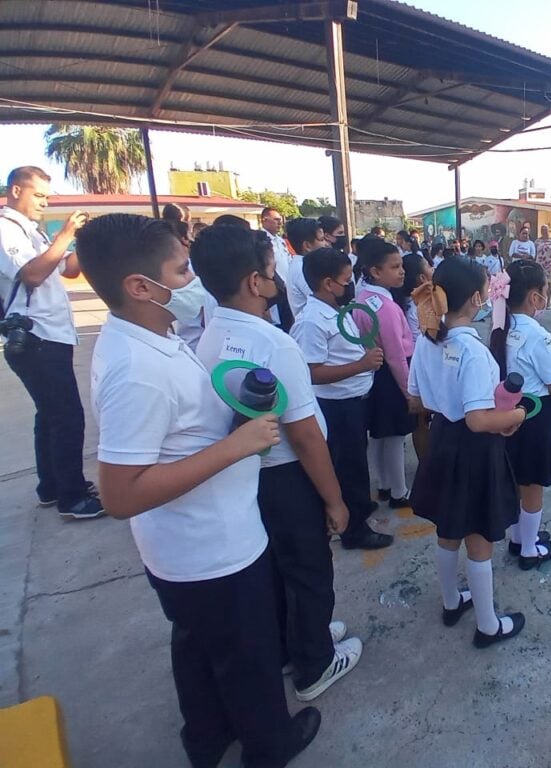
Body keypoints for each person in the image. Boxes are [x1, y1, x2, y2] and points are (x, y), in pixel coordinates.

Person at [75, 213, 320, 768]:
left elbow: (176, 436)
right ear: (140, 286)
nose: (193, 281)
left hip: (191, 549)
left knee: (199, 648)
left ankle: (207, 738)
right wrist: (235, 446)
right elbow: (120, 494)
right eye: (182, 270)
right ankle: (268, 747)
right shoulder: (136, 369)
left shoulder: (154, 337)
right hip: (211, 552)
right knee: (249, 657)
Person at [191, 227, 364, 703]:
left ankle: (295, 643)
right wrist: (335, 500)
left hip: (248, 476)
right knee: (310, 569)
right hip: (289, 476)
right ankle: (316, 664)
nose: (280, 279)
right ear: (254, 281)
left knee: (277, 568)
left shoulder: (210, 338)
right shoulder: (276, 344)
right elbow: (305, 436)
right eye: (273, 271)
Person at [407, 258, 528, 647]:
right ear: (477, 297)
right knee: (478, 536)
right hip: (474, 449)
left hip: (441, 439)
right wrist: (517, 414)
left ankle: (450, 602)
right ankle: (488, 624)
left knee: (448, 528)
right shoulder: (474, 352)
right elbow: (478, 420)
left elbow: (415, 399)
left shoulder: (426, 339)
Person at [0, 166, 103, 519]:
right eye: (38, 195)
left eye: (47, 196)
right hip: (34, 337)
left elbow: (68, 270)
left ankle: (51, 486)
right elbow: (32, 273)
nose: (45, 202)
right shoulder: (5, 228)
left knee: (50, 415)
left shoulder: (35, 233)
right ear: (16, 190)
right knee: (67, 418)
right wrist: (65, 233)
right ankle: (73, 498)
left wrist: (79, 241)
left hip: (51, 336)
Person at [291, 247, 393, 550]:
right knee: (348, 467)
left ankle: (358, 506)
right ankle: (354, 530)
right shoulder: (310, 321)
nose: (351, 285)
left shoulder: (335, 309)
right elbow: (311, 372)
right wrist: (361, 365)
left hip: (353, 401)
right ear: (327, 283)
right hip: (336, 405)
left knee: (356, 464)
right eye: (346, 279)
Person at [490, 260, 551, 569]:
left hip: (509, 414)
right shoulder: (538, 334)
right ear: (535, 297)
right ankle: (529, 550)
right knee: (533, 486)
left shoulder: (498, 326)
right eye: (546, 291)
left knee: (518, 479)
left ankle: (520, 538)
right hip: (535, 415)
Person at [355, 238, 416, 508]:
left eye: (401, 265)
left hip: (375, 375)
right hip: (391, 376)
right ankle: (399, 491)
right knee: (394, 435)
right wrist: (409, 391)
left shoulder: (362, 297)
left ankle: (383, 484)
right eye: (394, 267)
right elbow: (395, 355)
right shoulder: (387, 308)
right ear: (375, 271)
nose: (401, 271)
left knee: (379, 434)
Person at [394, 252, 435, 463]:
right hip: (423, 366)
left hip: (418, 364)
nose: (432, 268)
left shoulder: (410, 301)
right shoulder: (420, 304)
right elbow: (428, 337)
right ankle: (427, 465)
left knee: (422, 420)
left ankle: (426, 464)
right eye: (429, 266)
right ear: (421, 278)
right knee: (423, 418)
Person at [285, 218, 327, 318]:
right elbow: (325, 300)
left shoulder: (304, 265)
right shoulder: (302, 269)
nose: (325, 244)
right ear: (307, 245)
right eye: (321, 240)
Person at [534, 224, 551, 306]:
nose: (544, 231)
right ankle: (539, 301)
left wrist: (549, 260)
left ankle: (548, 302)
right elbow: (534, 253)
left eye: (546, 229)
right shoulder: (537, 241)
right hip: (539, 265)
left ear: (548, 230)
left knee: (548, 284)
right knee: (538, 284)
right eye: (542, 229)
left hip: (548, 266)